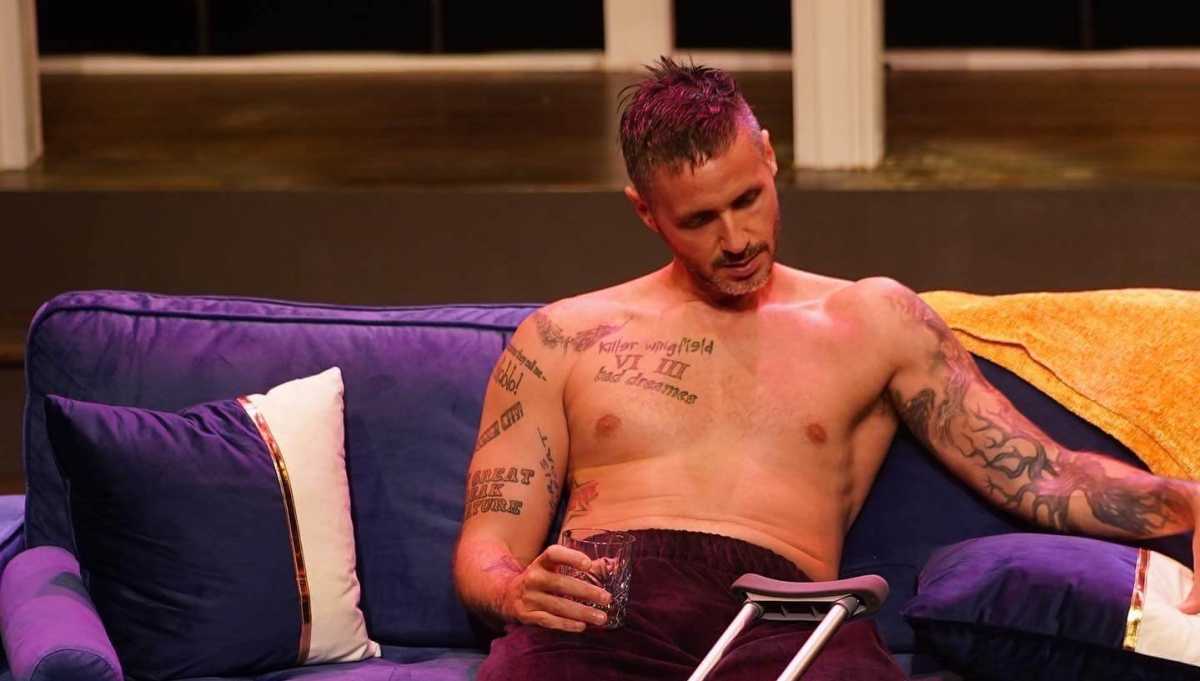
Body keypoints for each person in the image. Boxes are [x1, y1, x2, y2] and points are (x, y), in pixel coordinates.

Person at [452, 57, 1200, 680]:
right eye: (699, 219)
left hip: (791, 616)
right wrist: (515, 590)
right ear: (646, 212)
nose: (736, 239)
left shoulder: (873, 320)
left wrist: (1193, 502)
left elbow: (1043, 475)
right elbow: (488, 545)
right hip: (601, 608)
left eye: (748, 198)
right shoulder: (562, 336)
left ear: (770, 156)